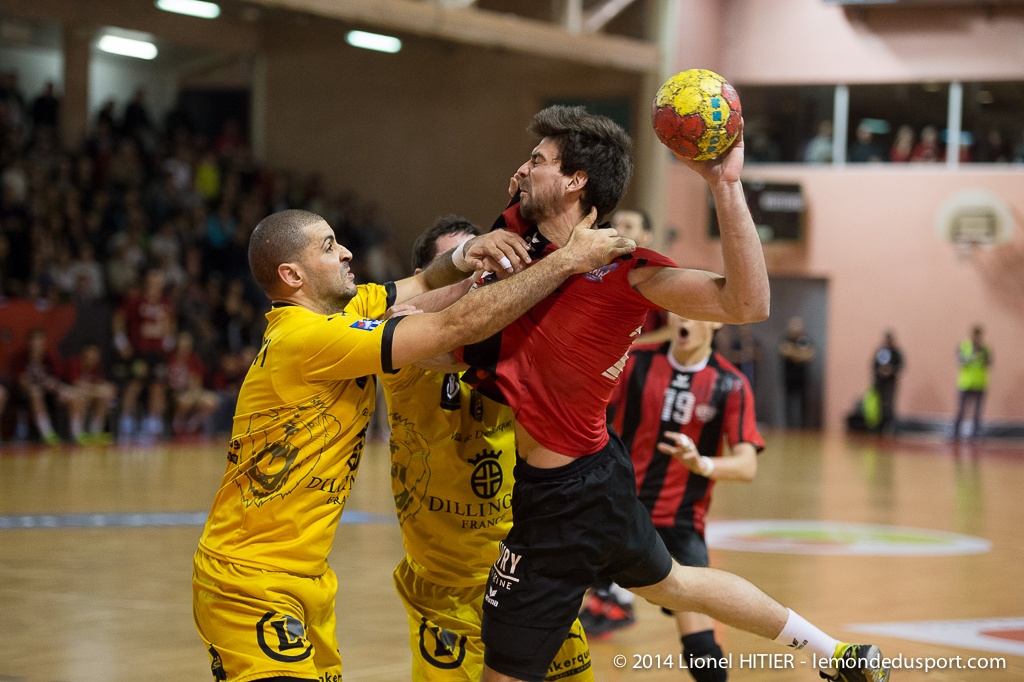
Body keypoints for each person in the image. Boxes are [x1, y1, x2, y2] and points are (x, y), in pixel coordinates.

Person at [447, 106, 886, 682]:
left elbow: (748, 304)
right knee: (675, 584)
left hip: (567, 499)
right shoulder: (522, 248)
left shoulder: (624, 271)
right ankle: (836, 655)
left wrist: (725, 186)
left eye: (537, 160)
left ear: (576, 181)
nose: (521, 170)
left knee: (504, 671)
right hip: (590, 475)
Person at [191, 207, 634, 682]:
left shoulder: (347, 309)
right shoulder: (310, 337)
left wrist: (469, 253)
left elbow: (422, 284)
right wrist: (565, 261)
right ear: (292, 275)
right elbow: (451, 328)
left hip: (306, 580)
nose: (347, 252)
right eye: (329, 246)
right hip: (249, 579)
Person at [380, 215, 593, 680]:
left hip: (528, 573)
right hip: (445, 589)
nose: (478, 275)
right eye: (461, 266)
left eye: (485, 263)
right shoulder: (398, 341)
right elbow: (398, 319)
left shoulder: (517, 340)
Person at [583, 313, 765, 681]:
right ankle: (610, 597)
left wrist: (701, 464)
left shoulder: (730, 383)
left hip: (679, 524)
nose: (684, 319)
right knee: (549, 614)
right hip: (619, 511)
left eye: (696, 314)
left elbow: (747, 466)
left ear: (717, 322)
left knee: (701, 648)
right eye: (677, 309)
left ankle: (614, 598)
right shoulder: (634, 364)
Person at [611, 208, 671, 347]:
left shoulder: (657, 275)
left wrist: (626, 347)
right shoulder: (597, 271)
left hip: (638, 355)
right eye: (615, 225)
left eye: (628, 227)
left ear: (646, 236)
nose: (618, 231)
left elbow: (671, 331)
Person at [65, 343, 116, 444]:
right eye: (90, 358)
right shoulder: (74, 363)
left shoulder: (96, 367)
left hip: (87, 394)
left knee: (103, 398)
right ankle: (77, 434)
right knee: (76, 398)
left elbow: (101, 384)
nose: (93, 361)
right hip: (66, 393)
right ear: (84, 355)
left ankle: (95, 433)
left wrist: (99, 390)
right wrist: (96, 390)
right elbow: (76, 385)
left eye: (95, 358)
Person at [952, 325, 991, 440]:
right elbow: (959, 361)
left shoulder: (985, 349)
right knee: (961, 410)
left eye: (979, 335)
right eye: (975, 335)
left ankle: (975, 434)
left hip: (980, 384)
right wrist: (970, 358)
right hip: (965, 384)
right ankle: (955, 433)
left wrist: (981, 357)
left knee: (977, 412)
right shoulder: (964, 346)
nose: (976, 337)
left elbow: (989, 363)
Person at [779, 316, 815, 429]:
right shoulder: (786, 339)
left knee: (803, 402)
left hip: (802, 377)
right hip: (789, 377)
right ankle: (789, 425)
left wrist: (793, 353)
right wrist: (800, 354)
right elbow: (784, 351)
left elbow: (810, 355)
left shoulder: (806, 339)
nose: (796, 329)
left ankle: (803, 426)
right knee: (788, 402)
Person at [872, 331, 903, 435]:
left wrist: (891, 370)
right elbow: (874, 365)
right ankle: (878, 426)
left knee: (889, 404)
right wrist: (880, 371)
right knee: (879, 404)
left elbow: (900, 365)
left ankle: (889, 426)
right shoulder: (880, 351)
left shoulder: (895, 353)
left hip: (890, 382)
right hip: (880, 382)